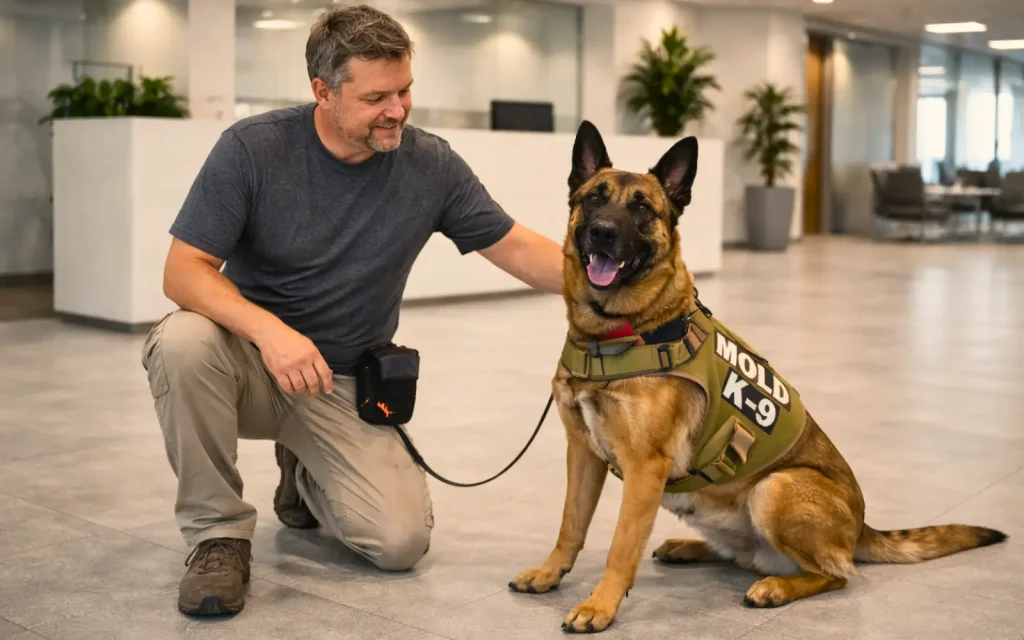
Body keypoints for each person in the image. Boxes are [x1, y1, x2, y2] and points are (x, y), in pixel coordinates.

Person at [141, 4, 564, 617]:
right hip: (250, 366)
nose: (397, 109)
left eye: (405, 91)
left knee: (399, 544)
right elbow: (182, 272)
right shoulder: (253, 149)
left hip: (339, 379)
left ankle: (304, 475)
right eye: (376, 98)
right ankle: (217, 536)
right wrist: (271, 333)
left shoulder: (431, 164)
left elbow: (518, 248)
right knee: (181, 342)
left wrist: (614, 283)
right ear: (323, 92)